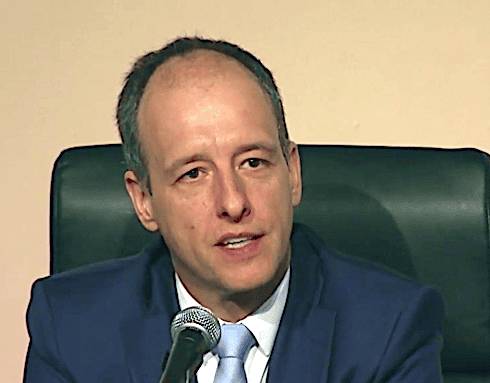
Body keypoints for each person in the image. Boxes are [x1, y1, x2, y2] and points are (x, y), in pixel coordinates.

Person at [24, 37, 444, 382]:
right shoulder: (70, 327)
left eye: (253, 162)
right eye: (193, 174)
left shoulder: (390, 328)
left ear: (292, 172)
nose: (234, 202)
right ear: (144, 200)